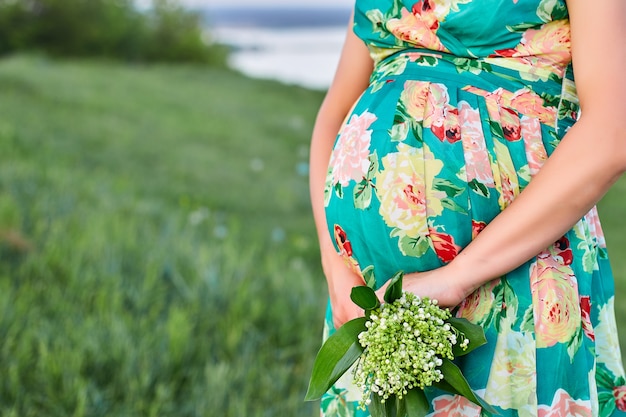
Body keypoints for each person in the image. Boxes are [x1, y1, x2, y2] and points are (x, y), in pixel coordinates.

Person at [308, 0, 626, 416]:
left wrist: (456, 277)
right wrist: (333, 265)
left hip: (513, 268)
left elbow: (612, 133)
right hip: (367, 294)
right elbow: (335, 110)